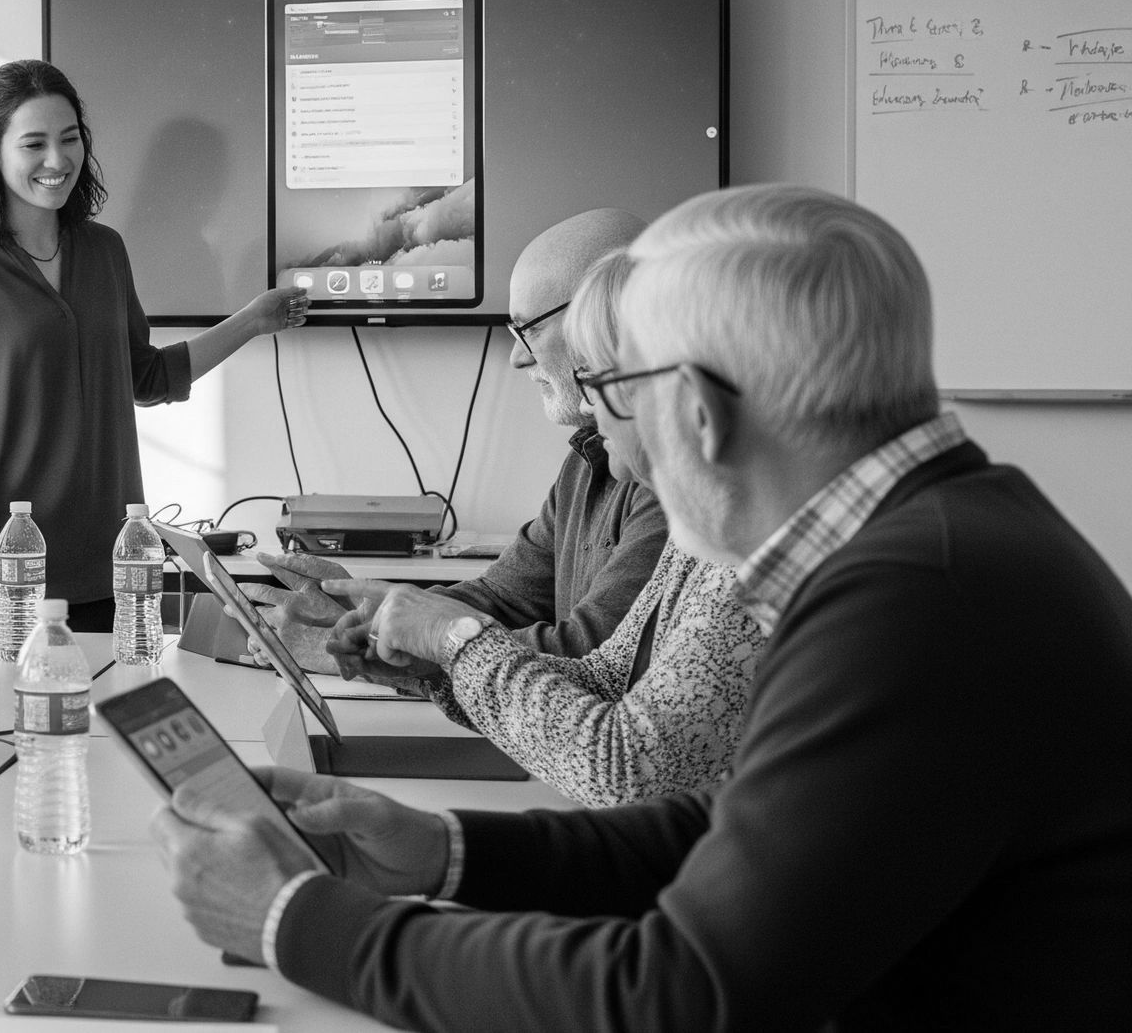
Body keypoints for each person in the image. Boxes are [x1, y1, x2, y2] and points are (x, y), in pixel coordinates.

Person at [154, 184, 1132, 1030]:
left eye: (615, 387)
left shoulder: (915, 603)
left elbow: (671, 999)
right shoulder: (947, 539)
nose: (608, 434)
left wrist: (295, 919)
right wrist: (435, 851)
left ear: (699, 414)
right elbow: (729, 835)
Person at [290, 248, 762, 805]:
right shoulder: (692, 521)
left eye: (598, 380)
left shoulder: (727, 531)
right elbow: (603, 675)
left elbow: (625, 767)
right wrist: (397, 635)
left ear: (690, 395)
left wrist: (450, 639)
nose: (591, 406)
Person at [0, 59, 308, 632]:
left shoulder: (104, 251)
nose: (57, 160)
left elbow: (145, 376)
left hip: (108, 565)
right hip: (2, 572)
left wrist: (252, 320)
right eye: (34, 144)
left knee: (103, 720)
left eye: (70, 138)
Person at [260, 206, 665, 680]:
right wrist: (376, 620)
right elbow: (502, 598)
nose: (516, 357)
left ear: (608, 317)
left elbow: (589, 655)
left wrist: (394, 648)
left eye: (529, 329)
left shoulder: (669, 478)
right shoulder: (586, 457)